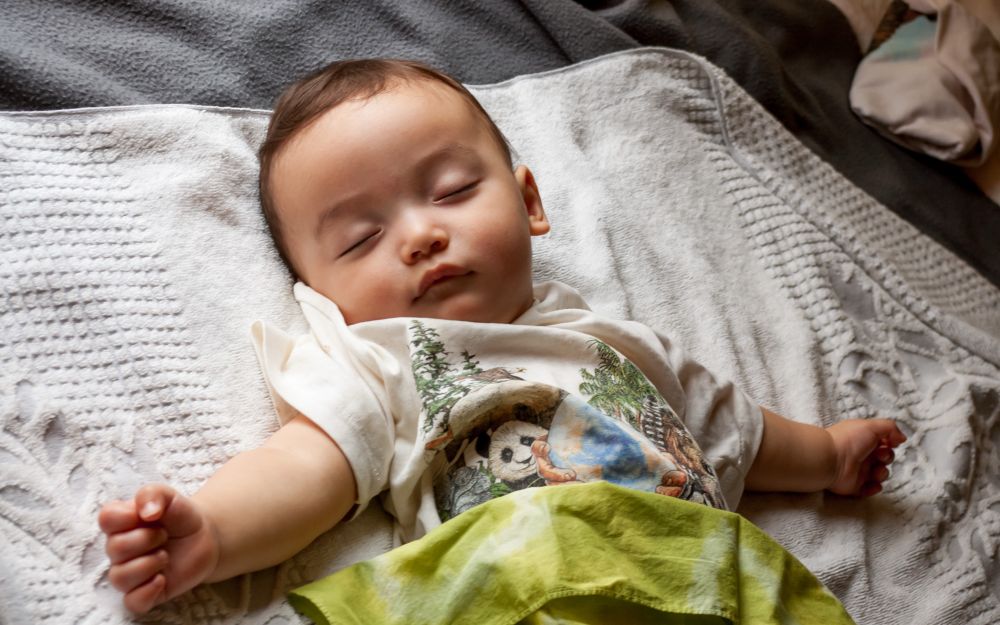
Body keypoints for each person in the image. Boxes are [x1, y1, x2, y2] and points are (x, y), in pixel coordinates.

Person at [98, 59, 906, 615]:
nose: (418, 236)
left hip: (711, 576)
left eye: (450, 191)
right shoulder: (383, 354)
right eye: (359, 239)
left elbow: (736, 428)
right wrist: (213, 530)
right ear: (321, 293)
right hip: (533, 582)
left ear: (530, 203)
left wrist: (829, 455)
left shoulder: (620, 342)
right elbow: (306, 464)